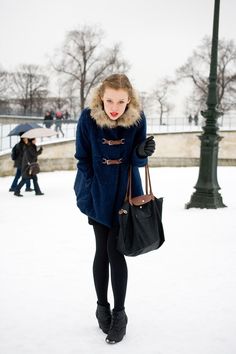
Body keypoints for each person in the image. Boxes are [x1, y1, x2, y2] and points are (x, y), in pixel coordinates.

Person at [74, 74, 155, 344]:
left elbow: (134, 161)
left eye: (120, 101)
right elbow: (82, 158)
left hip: (124, 193)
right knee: (101, 248)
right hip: (97, 193)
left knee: (114, 250)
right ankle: (101, 308)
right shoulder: (88, 118)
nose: (114, 106)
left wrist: (142, 151)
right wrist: (93, 183)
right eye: (109, 100)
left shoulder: (138, 120)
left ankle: (119, 314)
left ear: (129, 99)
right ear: (101, 96)